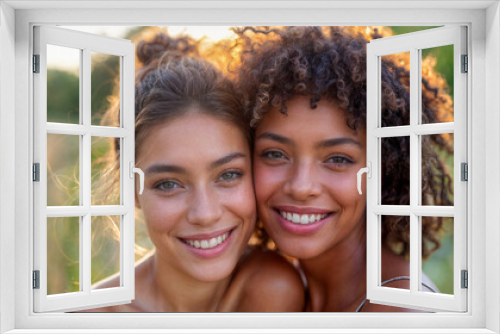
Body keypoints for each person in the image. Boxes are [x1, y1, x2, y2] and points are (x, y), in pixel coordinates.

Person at [233, 26, 453, 312]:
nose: (301, 187)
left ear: (383, 170)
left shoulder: (403, 312)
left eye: (338, 159)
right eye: (275, 154)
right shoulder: (275, 290)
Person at [82, 32, 304, 312]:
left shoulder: (270, 288)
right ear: (133, 190)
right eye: (168, 184)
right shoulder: (90, 317)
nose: (205, 214)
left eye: (228, 175)